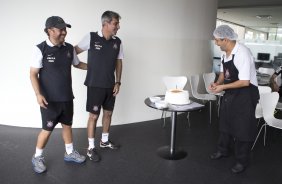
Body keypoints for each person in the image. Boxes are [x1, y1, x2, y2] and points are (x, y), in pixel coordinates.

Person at [30, 16, 87, 173]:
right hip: (49, 100)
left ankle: (69, 153)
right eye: (61, 29)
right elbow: (33, 74)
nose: (64, 32)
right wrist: (38, 94)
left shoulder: (69, 48)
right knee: (47, 130)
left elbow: (77, 64)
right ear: (50, 31)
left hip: (67, 97)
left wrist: (94, 68)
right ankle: (37, 156)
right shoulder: (40, 49)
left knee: (67, 126)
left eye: (65, 28)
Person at [209, 25, 259, 174]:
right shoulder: (225, 53)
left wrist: (222, 88)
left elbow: (244, 82)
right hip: (232, 91)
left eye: (217, 40)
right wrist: (218, 83)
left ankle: (241, 161)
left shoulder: (242, 53)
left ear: (226, 39)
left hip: (246, 93)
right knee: (225, 121)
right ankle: (223, 150)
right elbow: (225, 72)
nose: (216, 43)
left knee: (242, 127)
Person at [75, 10, 123, 162]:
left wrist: (118, 81)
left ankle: (104, 141)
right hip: (95, 85)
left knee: (108, 114)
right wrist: (83, 66)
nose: (118, 26)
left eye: (117, 23)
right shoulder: (91, 37)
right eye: (115, 23)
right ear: (105, 24)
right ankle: (90, 148)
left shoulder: (118, 42)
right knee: (94, 116)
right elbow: (72, 52)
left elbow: (119, 62)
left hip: (110, 85)